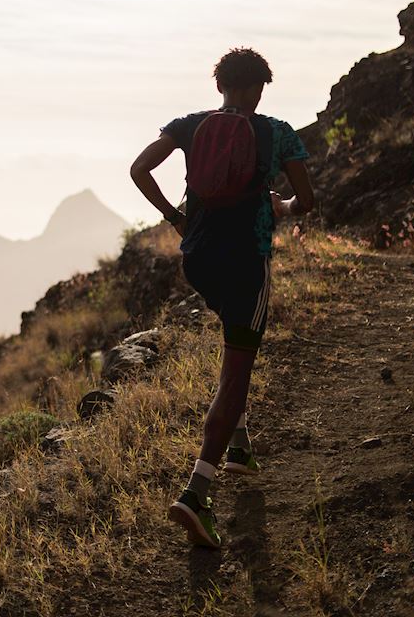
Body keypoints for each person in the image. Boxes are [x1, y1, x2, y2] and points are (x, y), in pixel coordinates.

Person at [129, 47, 315, 548]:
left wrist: (174, 217)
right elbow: (308, 199)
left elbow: (139, 169)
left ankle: (239, 447)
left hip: (199, 261)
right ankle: (195, 494)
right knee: (237, 372)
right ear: (259, 89)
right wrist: (284, 205)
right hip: (246, 264)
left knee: (233, 345)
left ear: (219, 87)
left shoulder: (190, 125)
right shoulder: (277, 131)